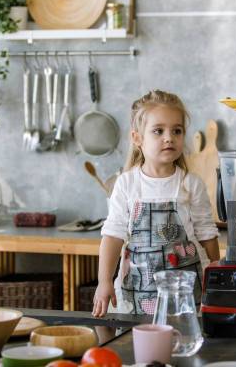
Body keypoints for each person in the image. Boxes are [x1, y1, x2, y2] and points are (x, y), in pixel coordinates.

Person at [92, 90, 220, 316]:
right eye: (158, 131)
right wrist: (104, 281)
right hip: (139, 290)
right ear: (137, 138)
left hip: (188, 290)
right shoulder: (127, 184)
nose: (169, 137)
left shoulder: (191, 183)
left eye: (177, 131)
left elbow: (206, 234)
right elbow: (112, 236)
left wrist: (217, 277)